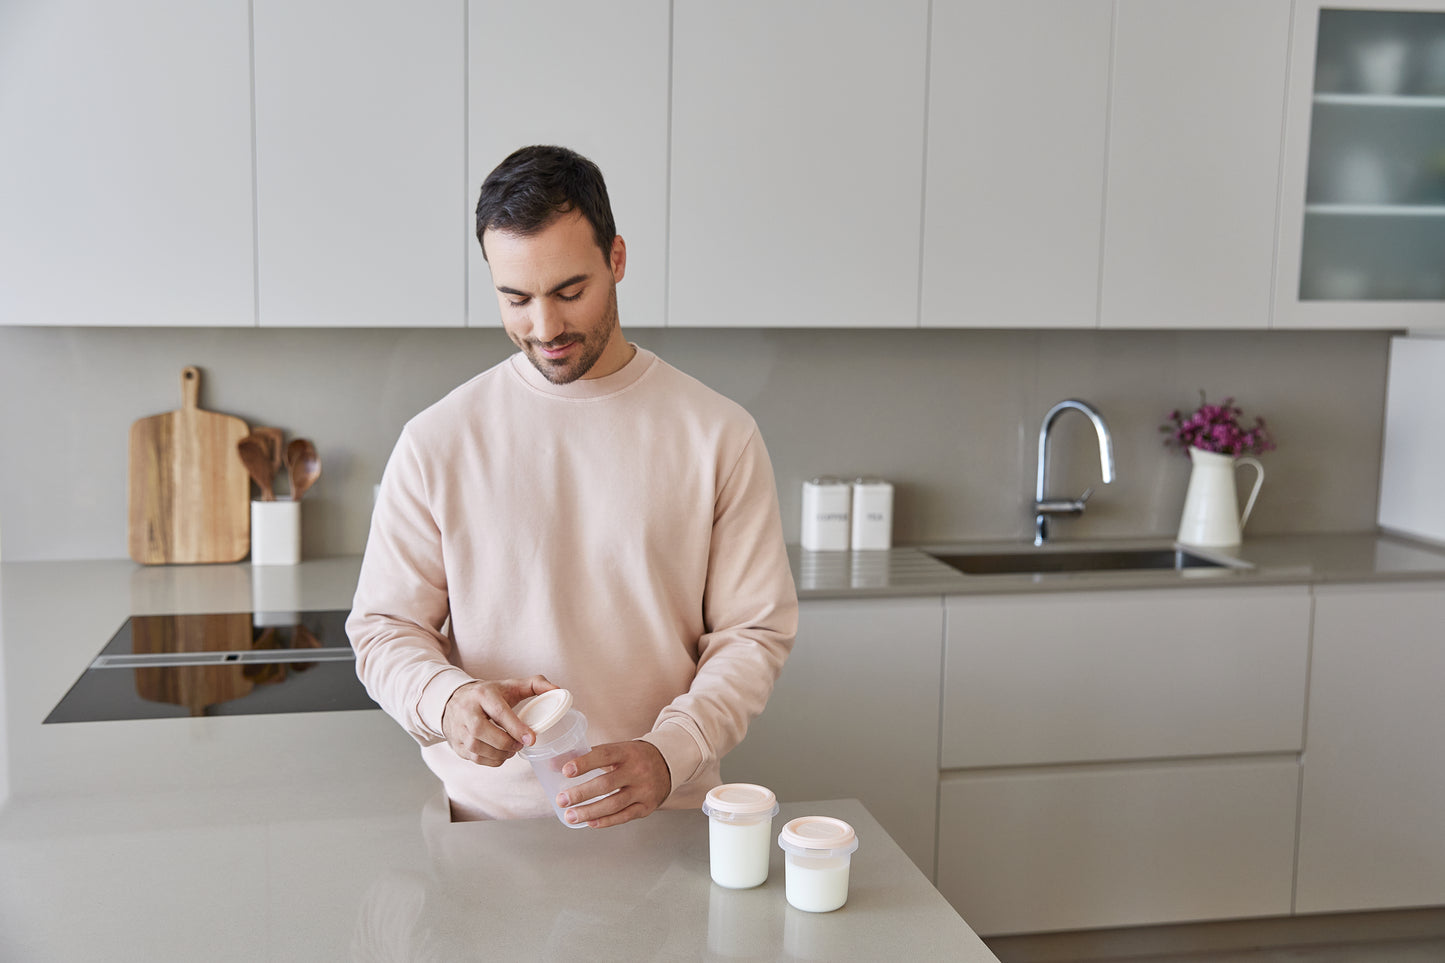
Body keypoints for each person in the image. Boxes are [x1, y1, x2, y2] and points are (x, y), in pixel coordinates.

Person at [347, 145, 798, 828]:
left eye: (569, 291)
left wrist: (668, 753)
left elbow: (751, 633)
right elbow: (385, 628)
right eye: (515, 298)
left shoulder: (717, 434)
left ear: (616, 259)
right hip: (488, 829)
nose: (545, 326)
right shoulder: (436, 440)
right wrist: (445, 701)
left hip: (663, 814)